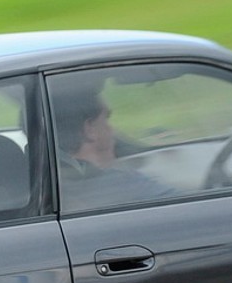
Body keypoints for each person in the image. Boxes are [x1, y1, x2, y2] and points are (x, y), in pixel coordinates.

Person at [52, 83, 176, 211]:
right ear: (90, 130)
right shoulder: (122, 185)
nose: (111, 130)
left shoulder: (57, 186)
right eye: (105, 119)